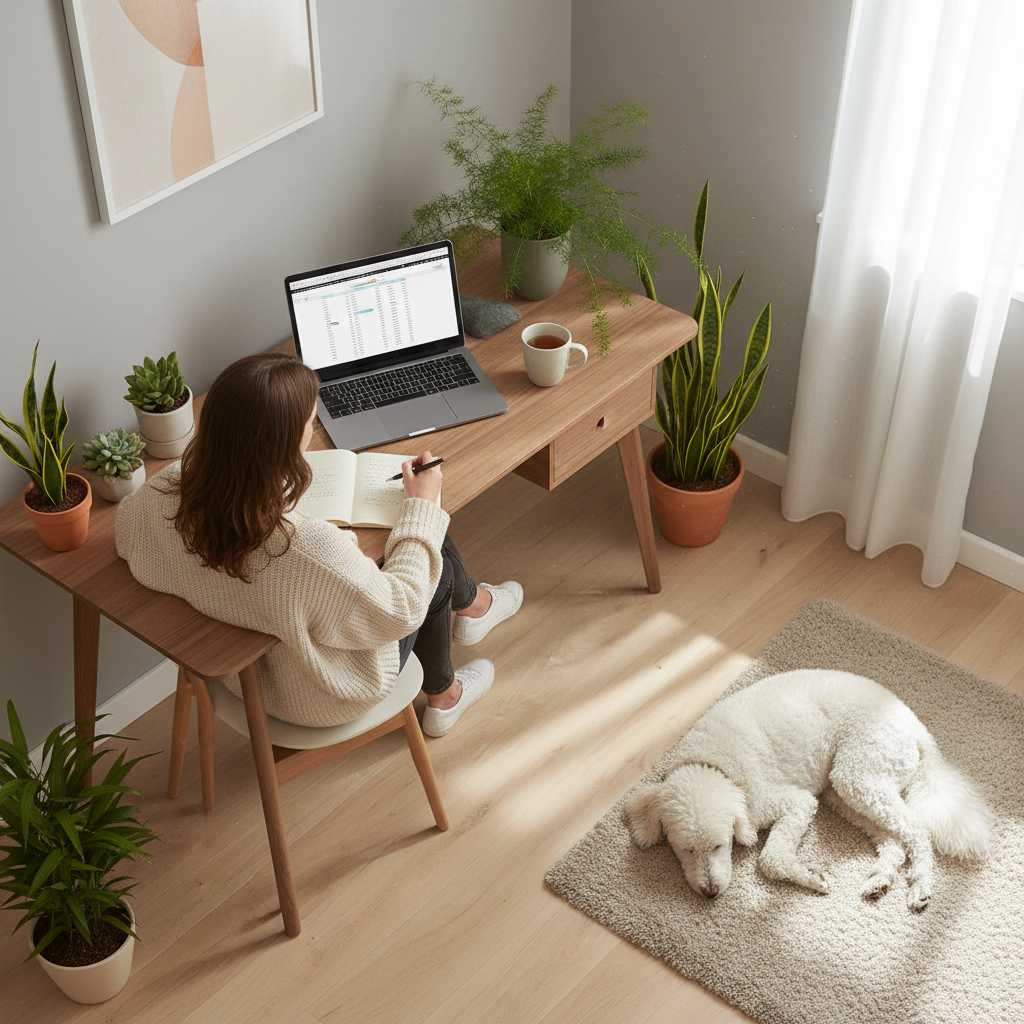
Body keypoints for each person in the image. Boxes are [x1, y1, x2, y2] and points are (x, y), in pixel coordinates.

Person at [115, 352, 522, 738]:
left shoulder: (166, 491)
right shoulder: (304, 550)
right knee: (430, 555)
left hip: (247, 677)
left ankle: (473, 607)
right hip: (319, 692)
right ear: (284, 443)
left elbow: (125, 536)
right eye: (311, 421)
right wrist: (420, 506)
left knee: (418, 533)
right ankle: (445, 695)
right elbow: (403, 609)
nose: (313, 430)